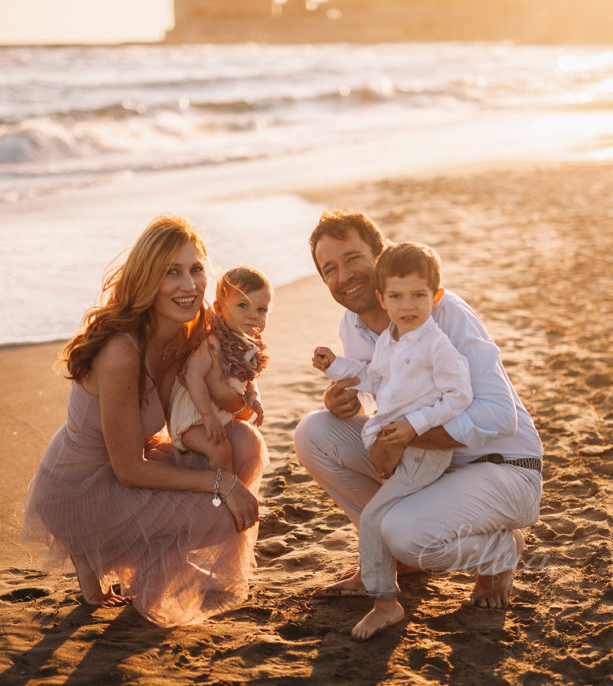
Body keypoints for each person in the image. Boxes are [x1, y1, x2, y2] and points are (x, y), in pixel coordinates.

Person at [294, 210, 543, 639]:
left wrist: (407, 433)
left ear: (382, 255)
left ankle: (500, 551)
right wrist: (343, 405)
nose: (344, 276)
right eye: (329, 269)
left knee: (407, 533)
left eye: (353, 259)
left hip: (502, 467)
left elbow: (499, 415)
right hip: (432, 465)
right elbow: (391, 399)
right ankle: (393, 561)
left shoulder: (443, 313)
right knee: (314, 433)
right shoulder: (351, 326)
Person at [21, 215, 268, 628]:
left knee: (245, 443)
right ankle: (101, 553)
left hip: (132, 467)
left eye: (195, 269)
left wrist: (243, 390)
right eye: (172, 272)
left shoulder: (188, 332)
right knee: (222, 510)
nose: (189, 285)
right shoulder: (121, 352)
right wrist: (221, 483)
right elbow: (128, 468)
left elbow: (196, 418)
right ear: (147, 279)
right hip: (83, 489)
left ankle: (140, 563)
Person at [312, 241, 473, 640]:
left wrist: (415, 425)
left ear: (435, 297)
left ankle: (385, 602)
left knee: (375, 517)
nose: (408, 305)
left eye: (419, 295)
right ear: (383, 300)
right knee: (382, 516)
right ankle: (379, 583)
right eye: (398, 297)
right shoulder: (391, 341)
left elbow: (460, 396)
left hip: (422, 453)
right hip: (396, 447)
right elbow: (373, 378)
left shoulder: (437, 344)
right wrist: (335, 367)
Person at [168, 265, 271, 474]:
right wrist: (208, 416)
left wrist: (255, 397)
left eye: (262, 309)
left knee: (242, 446)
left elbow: (248, 378)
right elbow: (192, 376)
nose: (253, 315)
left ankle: (228, 488)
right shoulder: (213, 343)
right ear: (219, 308)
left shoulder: (246, 346)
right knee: (220, 450)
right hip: (193, 419)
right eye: (243, 305)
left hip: (221, 414)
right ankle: (218, 495)